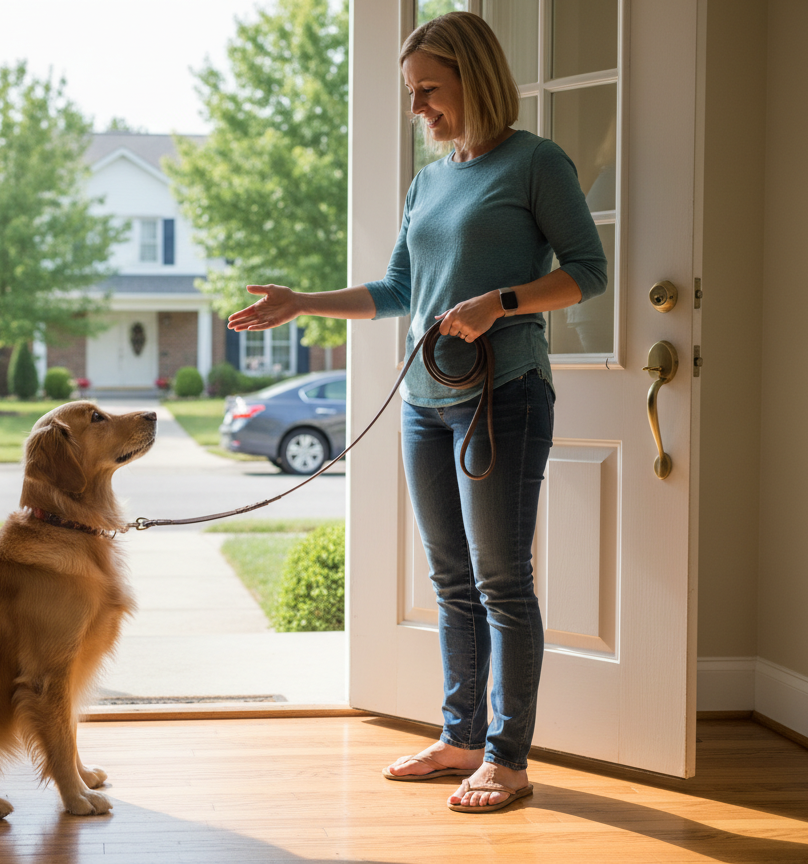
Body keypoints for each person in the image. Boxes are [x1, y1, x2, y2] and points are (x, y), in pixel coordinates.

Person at [227, 11, 606, 814]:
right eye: (411, 91)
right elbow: (399, 289)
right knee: (451, 580)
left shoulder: (535, 163)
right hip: (424, 402)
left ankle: (507, 759)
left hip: (503, 397)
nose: (417, 107)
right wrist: (302, 303)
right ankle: (460, 737)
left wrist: (500, 302)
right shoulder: (429, 182)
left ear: (475, 78)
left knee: (502, 581)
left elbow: (587, 271)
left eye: (429, 89)